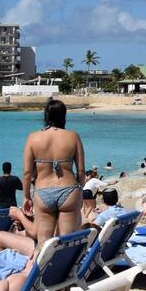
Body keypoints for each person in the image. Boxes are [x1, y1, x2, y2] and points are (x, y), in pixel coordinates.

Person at [22, 98, 85, 249]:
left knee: (43, 243)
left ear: (46, 116)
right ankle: (66, 272)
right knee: (67, 242)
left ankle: (42, 271)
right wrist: (80, 190)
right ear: (64, 116)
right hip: (68, 190)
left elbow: (27, 173)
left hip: (42, 191)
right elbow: (81, 171)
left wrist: (26, 197)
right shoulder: (73, 136)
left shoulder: (33, 138)